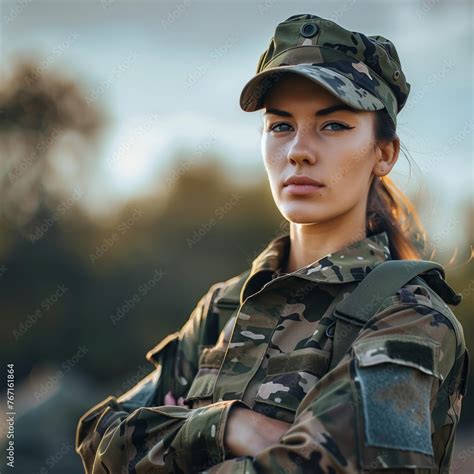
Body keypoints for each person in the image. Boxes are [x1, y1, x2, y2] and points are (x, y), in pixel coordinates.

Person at [75, 13, 469, 473]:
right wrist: (226, 426)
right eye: (281, 126)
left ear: (384, 154)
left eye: (334, 125)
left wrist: (169, 445)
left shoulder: (409, 317)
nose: (298, 150)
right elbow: (99, 435)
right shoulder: (225, 306)